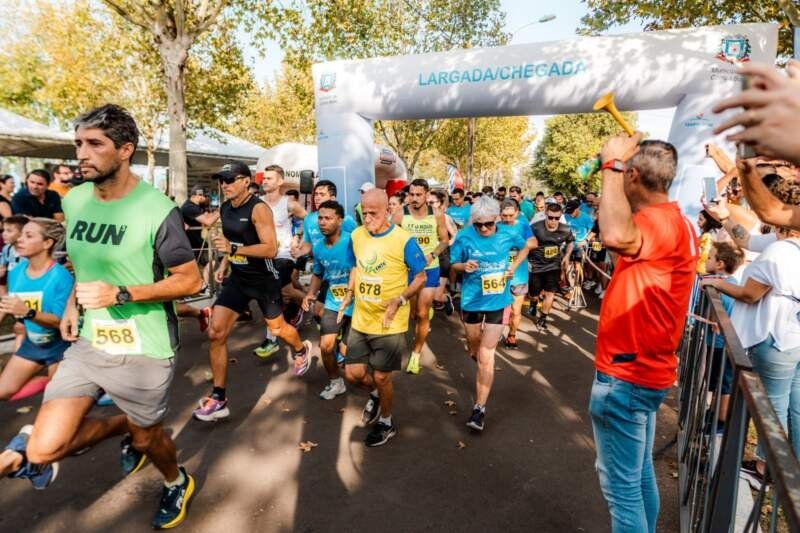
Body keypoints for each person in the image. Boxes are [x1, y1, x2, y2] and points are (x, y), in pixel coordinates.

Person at [21, 104, 202, 529]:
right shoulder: (78, 200)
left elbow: (190, 280)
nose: (81, 154)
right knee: (42, 449)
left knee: (147, 440)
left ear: (124, 150)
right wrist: (72, 304)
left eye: (94, 144)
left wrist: (121, 293)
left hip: (145, 348)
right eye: (78, 143)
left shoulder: (157, 210)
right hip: (89, 341)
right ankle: (123, 419)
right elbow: (86, 264)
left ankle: (176, 481)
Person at [590, 133, 698, 533]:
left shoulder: (655, 222)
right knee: (637, 480)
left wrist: (610, 165)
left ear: (632, 175)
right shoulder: (677, 221)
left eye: (623, 174)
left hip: (626, 377)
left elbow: (614, 236)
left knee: (621, 490)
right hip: (642, 372)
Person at [194, 161, 312, 422]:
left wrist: (232, 251)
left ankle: (302, 349)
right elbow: (230, 244)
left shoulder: (259, 209)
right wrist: (225, 263)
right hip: (238, 278)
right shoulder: (225, 208)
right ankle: (218, 397)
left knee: (279, 328)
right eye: (222, 180)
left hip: (263, 279)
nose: (225, 185)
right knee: (216, 332)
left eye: (230, 179)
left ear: (246, 181)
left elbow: (270, 248)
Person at [700, 182, 800, 482]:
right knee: (795, 407)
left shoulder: (780, 252)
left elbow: (749, 294)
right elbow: (747, 242)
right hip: (792, 338)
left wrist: (717, 283)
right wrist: (723, 216)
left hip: (773, 339)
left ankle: (764, 469)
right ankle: (789, 467)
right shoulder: (782, 245)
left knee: (772, 407)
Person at [337, 188, 426, 447]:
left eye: (373, 213)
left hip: (390, 321)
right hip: (362, 318)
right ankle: (376, 395)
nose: (367, 218)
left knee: (381, 376)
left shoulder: (404, 240)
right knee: (353, 374)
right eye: (363, 213)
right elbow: (355, 266)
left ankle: (386, 423)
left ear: (388, 211)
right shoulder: (356, 236)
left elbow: (420, 276)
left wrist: (400, 299)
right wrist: (350, 293)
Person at [452, 197, 532, 432]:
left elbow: (528, 245)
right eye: (479, 225)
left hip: (498, 300)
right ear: (473, 222)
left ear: (496, 219)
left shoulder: (507, 234)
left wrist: (513, 267)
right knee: (474, 349)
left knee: (487, 356)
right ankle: (480, 363)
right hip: (472, 301)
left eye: (489, 224)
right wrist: (462, 267)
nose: (484, 229)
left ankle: (479, 409)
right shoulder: (465, 236)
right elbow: (453, 263)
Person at [0, 218, 72, 401]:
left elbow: (61, 322)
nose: (19, 239)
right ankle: (45, 381)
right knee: (2, 391)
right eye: (21, 234)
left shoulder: (61, 277)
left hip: (62, 346)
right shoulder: (16, 272)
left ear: (47, 243)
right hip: (34, 343)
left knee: (55, 401)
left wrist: (28, 313)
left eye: (28, 235)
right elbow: (9, 304)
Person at [392, 178, 449, 375]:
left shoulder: (437, 215)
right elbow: (391, 239)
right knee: (411, 313)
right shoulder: (400, 214)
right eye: (411, 195)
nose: (414, 199)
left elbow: (444, 241)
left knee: (423, 313)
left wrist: (432, 255)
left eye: (419, 195)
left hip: (429, 268)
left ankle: (416, 354)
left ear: (426, 195)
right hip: (406, 270)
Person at [302, 200, 353, 400]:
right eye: (320, 218)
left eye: (328, 218)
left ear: (340, 221)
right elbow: (318, 272)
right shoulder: (318, 247)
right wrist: (310, 294)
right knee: (326, 346)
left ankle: (374, 387)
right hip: (334, 302)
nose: (322, 222)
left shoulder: (352, 241)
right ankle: (336, 382)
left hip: (359, 303)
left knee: (349, 354)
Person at [702, 242, 744, 433]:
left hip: (721, 345)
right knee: (719, 382)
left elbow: (715, 318)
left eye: (710, 257)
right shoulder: (729, 283)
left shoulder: (723, 287)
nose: (706, 260)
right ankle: (715, 412)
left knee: (722, 383)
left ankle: (720, 422)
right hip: (720, 344)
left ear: (720, 264)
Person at [528, 203, 574, 330]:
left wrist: (567, 255)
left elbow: (570, 241)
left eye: (557, 218)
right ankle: (533, 302)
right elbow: (525, 243)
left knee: (550, 293)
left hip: (553, 265)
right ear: (545, 214)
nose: (553, 221)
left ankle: (543, 318)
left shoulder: (565, 229)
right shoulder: (535, 227)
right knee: (534, 293)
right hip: (536, 265)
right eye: (550, 217)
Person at [498, 199, 533, 349]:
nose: (507, 219)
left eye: (511, 215)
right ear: (499, 214)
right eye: (504, 215)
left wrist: (517, 244)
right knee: (496, 308)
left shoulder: (523, 226)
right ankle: (495, 332)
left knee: (516, 310)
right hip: (499, 275)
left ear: (517, 213)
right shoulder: (495, 227)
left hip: (519, 276)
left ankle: (512, 335)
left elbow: (534, 243)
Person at [180, 187, 219, 283]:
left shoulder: (194, 206)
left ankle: (207, 286)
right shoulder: (189, 207)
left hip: (196, 241)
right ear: (196, 196)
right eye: (202, 195)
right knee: (190, 270)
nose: (205, 197)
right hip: (190, 243)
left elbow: (205, 218)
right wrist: (220, 212)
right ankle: (203, 286)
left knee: (211, 261)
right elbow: (208, 222)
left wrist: (212, 214)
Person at [0, 215, 29, 290]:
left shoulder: (31, 251)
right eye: (3, 230)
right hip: (12, 287)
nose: (4, 234)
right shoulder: (7, 249)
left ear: (22, 233)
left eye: (9, 231)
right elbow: (2, 266)